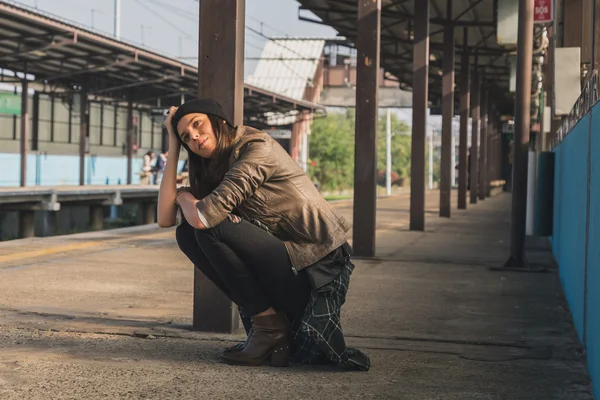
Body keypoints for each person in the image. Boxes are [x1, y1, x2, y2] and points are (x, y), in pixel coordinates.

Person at [157, 98, 369, 370]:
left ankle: (270, 330)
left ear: (218, 120)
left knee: (211, 228)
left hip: (315, 271)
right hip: (286, 267)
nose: (194, 137)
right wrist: (173, 146)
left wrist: (185, 196)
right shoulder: (214, 165)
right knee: (186, 234)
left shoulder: (257, 149)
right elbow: (165, 219)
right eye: (187, 137)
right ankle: (269, 326)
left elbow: (203, 216)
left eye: (198, 125)